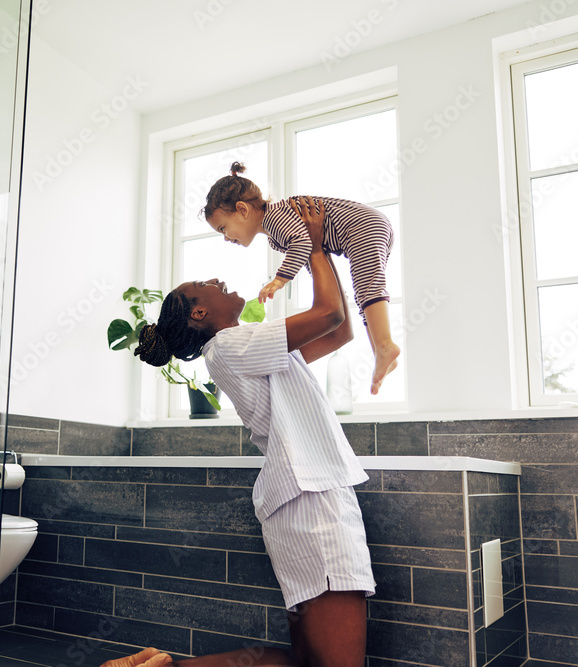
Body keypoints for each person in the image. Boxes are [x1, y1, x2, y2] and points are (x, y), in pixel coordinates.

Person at [126, 197, 375, 667]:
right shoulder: (232, 344)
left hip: (303, 500)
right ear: (198, 314)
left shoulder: (247, 347)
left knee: (302, 663)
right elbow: (330, 315)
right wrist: (313, 246)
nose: (217, 280)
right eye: (204, 285)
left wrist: (315, 249)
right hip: (313, 501)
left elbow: (338, 332)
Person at [202, 162, 400, 395]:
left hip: (363, 227)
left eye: (223, 228)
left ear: (243, 210)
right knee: (365, 292)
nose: (225, 238)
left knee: (369, 287)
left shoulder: (275, 217)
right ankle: (380, 350)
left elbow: (303, 243)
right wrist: (330, 285)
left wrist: (280, 279)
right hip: (368, 228)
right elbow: (308, 253)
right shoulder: (274, 236)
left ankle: (385, 345)